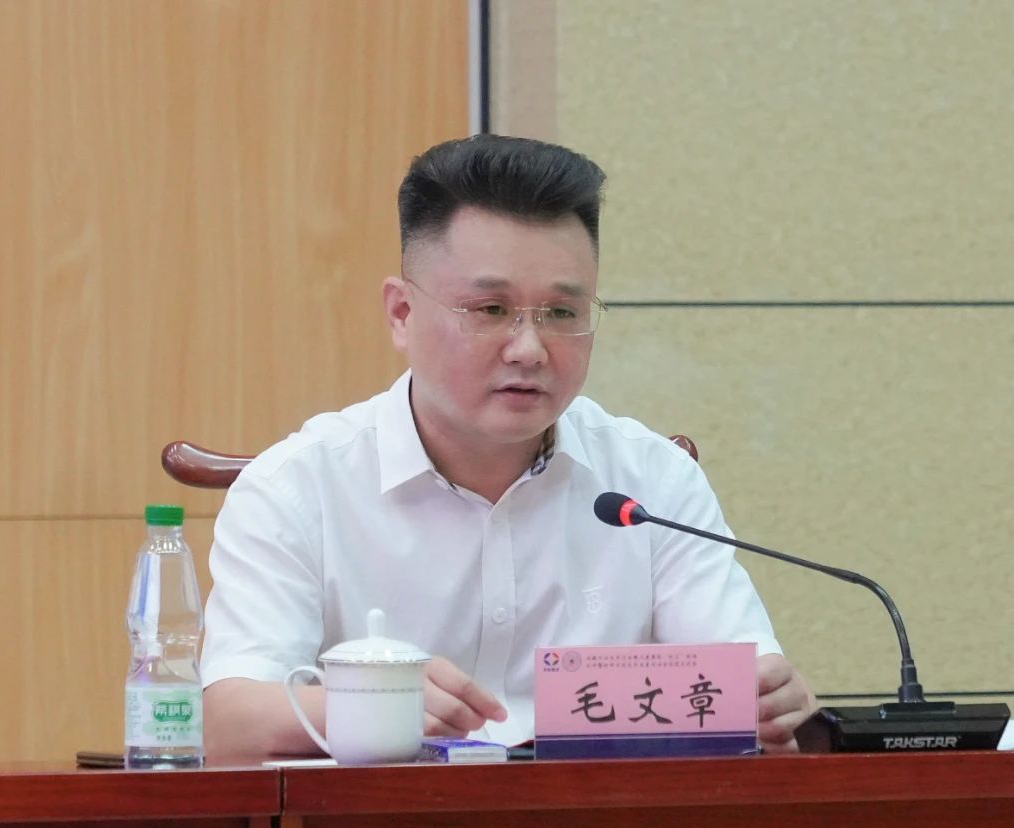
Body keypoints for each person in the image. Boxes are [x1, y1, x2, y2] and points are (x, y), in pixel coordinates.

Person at [201, 135, 816, 758]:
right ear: (401, 313)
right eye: (491, 309)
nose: (529, 348)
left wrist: (768, 704)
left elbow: (741, 697)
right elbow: (231, 724)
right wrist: (372, 704)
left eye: (561, 313)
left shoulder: (652, 481)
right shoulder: (296, 487)